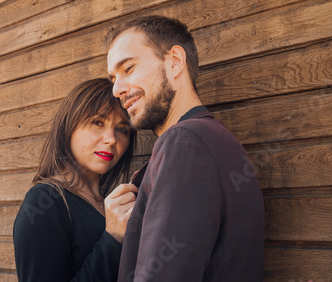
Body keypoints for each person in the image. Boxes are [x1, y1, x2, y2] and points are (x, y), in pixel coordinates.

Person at [106, 16, 265, 281]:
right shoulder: (209, 139)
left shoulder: (186, 141)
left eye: (129, 68)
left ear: (175, 62)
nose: (116, 89)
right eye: (113, 77)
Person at [13, 78, 138, 281]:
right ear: (69, 126)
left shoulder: (109, 204)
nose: (112, 139)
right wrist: (113, 239)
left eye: (122, 129)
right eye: (98, 122)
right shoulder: (44, 204)